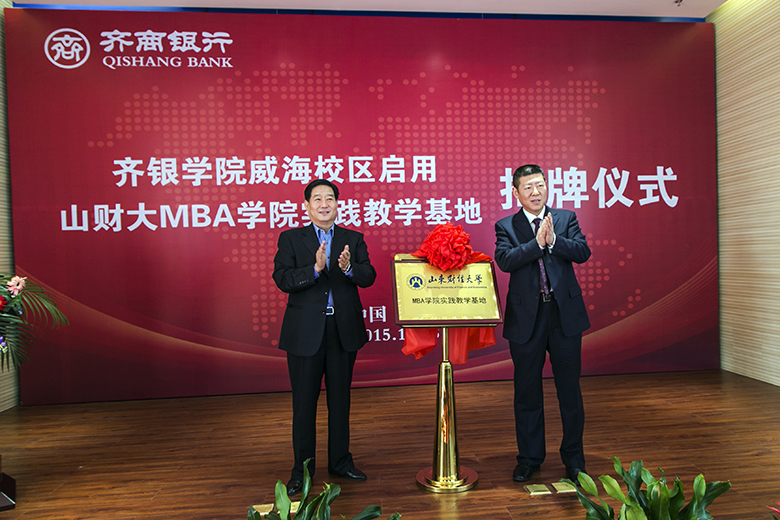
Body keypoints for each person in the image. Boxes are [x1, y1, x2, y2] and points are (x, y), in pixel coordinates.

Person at [273, 179, 377, 496]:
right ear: (306, 206)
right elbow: (282, 278)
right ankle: (301, 472)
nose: (323, 204)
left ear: (337, 204)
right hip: (305, 333)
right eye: (317, 199)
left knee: (340, 401)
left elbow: (369, 276)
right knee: (304, 404)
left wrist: (348, 268)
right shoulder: (291, 238)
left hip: (341, 331)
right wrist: (315, 269)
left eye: (329, 198)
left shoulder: (352, 239)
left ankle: (341, 462)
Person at [494, 164, 591, 484]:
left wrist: (553, 241)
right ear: (515, 192)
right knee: (527, 391)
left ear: (547, 186)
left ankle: (574, 459)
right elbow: (505, 260)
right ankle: (529, 458)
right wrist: (536, 243)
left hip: (564, 316)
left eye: (540, 185)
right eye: (528, 187)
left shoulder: (565, 218)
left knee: (569, 391)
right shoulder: (505, 225)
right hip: (526, 320)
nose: (535, 192)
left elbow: (582, 252)